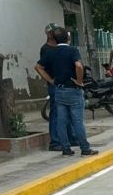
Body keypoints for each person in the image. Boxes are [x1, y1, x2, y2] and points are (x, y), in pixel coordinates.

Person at [35, 26, 98, 157]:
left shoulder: (50, 52)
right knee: (77, 121)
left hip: (59, 90)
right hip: (73, 90)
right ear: (67, 37)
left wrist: (51, 80)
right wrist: (79, 81)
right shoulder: (72, 50)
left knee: (61, 121)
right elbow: (79, 66)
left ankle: (66, 149)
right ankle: (85, 148)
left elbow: (38, 67)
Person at [41, 23, 79, 151]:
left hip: (65, 84)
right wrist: (50, 80)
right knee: (56, 114)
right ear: (50, 34)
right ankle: (55, 142)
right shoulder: (47, 49)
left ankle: (71, 138)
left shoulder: (59, 48)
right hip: (56, 85)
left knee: (67, 113)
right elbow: (40, 67)